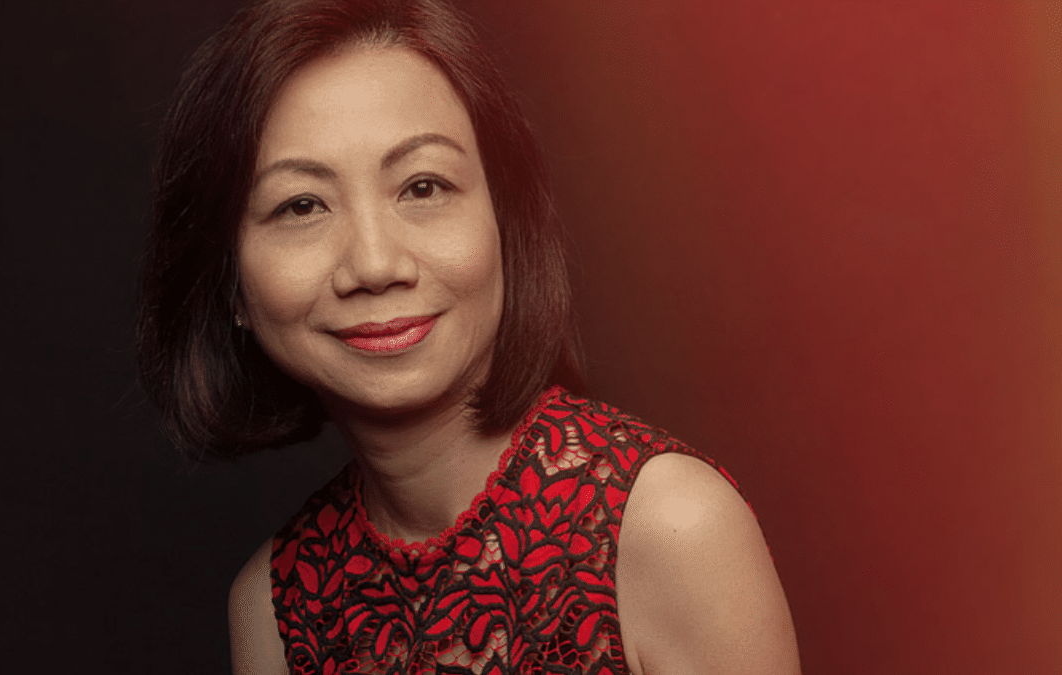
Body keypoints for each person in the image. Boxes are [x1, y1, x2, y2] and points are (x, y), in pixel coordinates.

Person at [137, 0, 801, 673]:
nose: (374, 263)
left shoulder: (670, 527)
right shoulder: (274, 606)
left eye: (423, 186)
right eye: (301, 205)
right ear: (230, 284)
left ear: (502, 223)